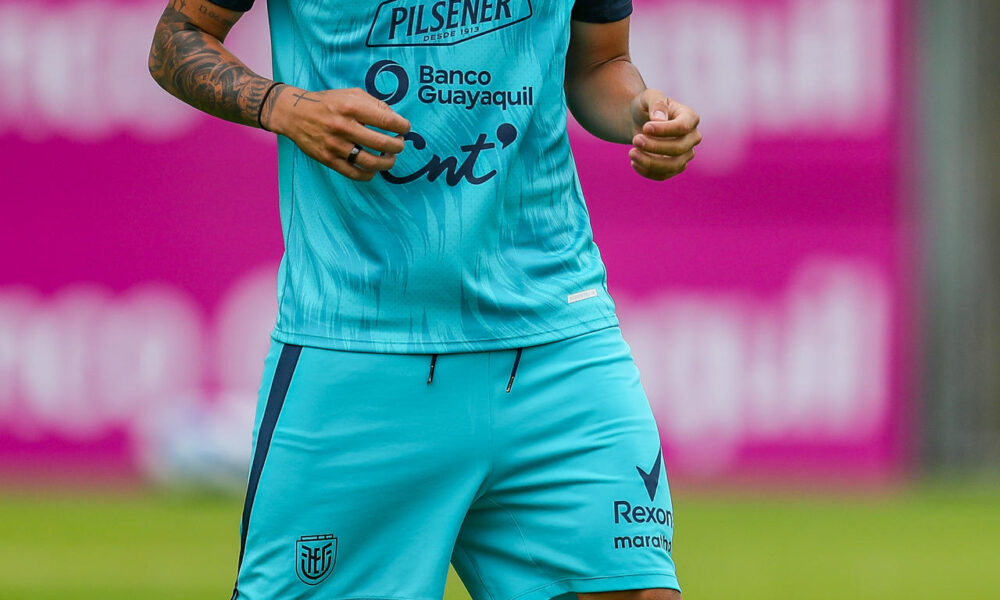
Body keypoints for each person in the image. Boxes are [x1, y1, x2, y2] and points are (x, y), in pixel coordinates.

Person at [149, 0, 701, 598]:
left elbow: (600, 62)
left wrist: (642, 113)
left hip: (559, 337)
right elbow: (176, 38)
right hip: (358, 350)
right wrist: (286, 106)